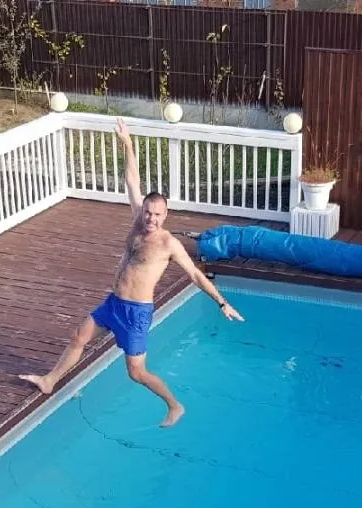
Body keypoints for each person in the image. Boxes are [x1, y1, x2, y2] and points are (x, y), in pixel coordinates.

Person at [19, 118, 244, 427]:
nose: (151, 218)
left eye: (157, 215)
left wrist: (222, 302)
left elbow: (195, 275)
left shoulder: (168, 244)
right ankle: (50, 380)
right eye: (148, 212)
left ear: (165, 215)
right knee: (79, 336)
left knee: (136, 373)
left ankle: (174, 405)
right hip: (114, 303)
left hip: (137, 313)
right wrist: (127, 143)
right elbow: (132, 180)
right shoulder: (138, 223)